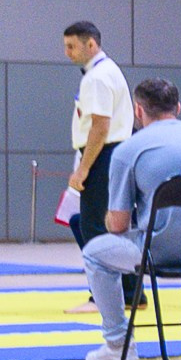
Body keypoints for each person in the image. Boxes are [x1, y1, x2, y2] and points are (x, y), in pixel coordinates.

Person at [75, 78, 181, 360]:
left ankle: (118, 343)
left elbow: (117, 225)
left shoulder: (129, 150)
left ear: (138, 111)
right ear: (178, 108)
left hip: (162, 251)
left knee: (95, 253)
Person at [60, 19, 134, 302]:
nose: (67, 52)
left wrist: (83, 169)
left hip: (104, 155)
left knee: (95, 227)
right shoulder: (106, 71)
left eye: (71, 46)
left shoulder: (97, 77)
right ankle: (128, 292)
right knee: (112, 227)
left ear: (90, 44)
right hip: (112, 153)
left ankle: (103, 296)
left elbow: (100, 127)